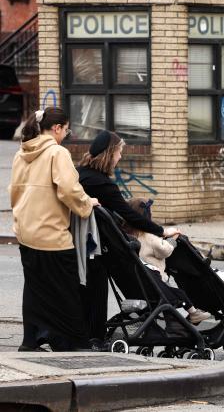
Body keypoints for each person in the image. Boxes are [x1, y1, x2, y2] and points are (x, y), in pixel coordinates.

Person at [10, 108, 100, 351]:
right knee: (65, 291)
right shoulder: (57, 153)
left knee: (35, 289)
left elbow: (14, 191)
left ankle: (31, 340)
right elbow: (70, 190)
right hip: (51, 234)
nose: (65, 135)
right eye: (66, 130)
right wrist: (86, 204)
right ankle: (71, 342)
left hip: (26, 231)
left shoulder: (22, 153)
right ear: (57, 128)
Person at [76, 130, 180, 341]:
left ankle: (85, 334)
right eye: (119, 152)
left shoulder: (79, 174)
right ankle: (94, 337)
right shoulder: (104, 185)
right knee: (96, 292)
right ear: (109, 154)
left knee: (82, 292)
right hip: (96, 247)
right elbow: (129, 215)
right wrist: (161, 231)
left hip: (76, 240)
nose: (120, 157)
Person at [124, 197, 211, 324]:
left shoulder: (127, 235)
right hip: (156, 279)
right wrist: (173, 239)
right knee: (178, 294)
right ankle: (194, 313)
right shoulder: (149, 236)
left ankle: (170, 319)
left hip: (140, 280)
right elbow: (164, 250)